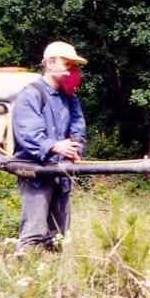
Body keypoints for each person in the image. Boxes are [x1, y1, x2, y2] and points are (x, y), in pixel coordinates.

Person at [12, 41, 88, 255]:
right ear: (49, 63)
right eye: (69, 64)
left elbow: (78, 127)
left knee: (59, 236)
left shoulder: (70, 98)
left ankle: (55, 281)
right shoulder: (31, 94)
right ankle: (25, 279)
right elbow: (28, 133)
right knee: (34, 233)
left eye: (75, 66)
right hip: (36, 173)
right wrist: (55, 146)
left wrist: (76, 147)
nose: (73, 70)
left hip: (61, 172)